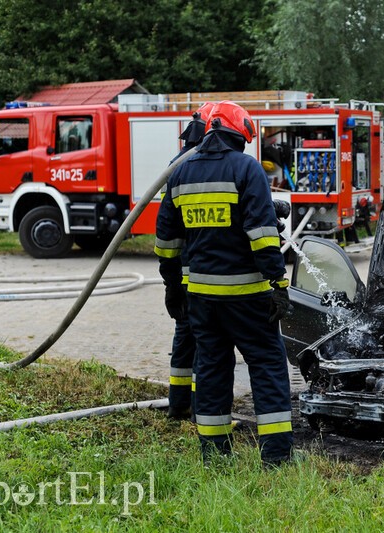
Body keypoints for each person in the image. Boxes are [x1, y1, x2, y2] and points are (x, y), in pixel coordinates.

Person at [155, 100, 293, 465]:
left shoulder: (180, 173)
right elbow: (263, 236)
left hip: (201, 298)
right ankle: (277, 457)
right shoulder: (247, 168)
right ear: (238, 136)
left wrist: (173, 288)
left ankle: (215, 455)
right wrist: (278, 284)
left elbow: (166, 242)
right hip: (248, 297)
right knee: (267, 365)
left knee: (212, 370)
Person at [156, 102, 214, 420]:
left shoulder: (176, 165)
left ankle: (178, 405)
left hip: (183, 270)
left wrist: (171, 284)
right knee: (207, 343)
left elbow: (167, 230)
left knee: (185, 337)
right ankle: (201, 408)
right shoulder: (206, 163)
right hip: (204, 271)